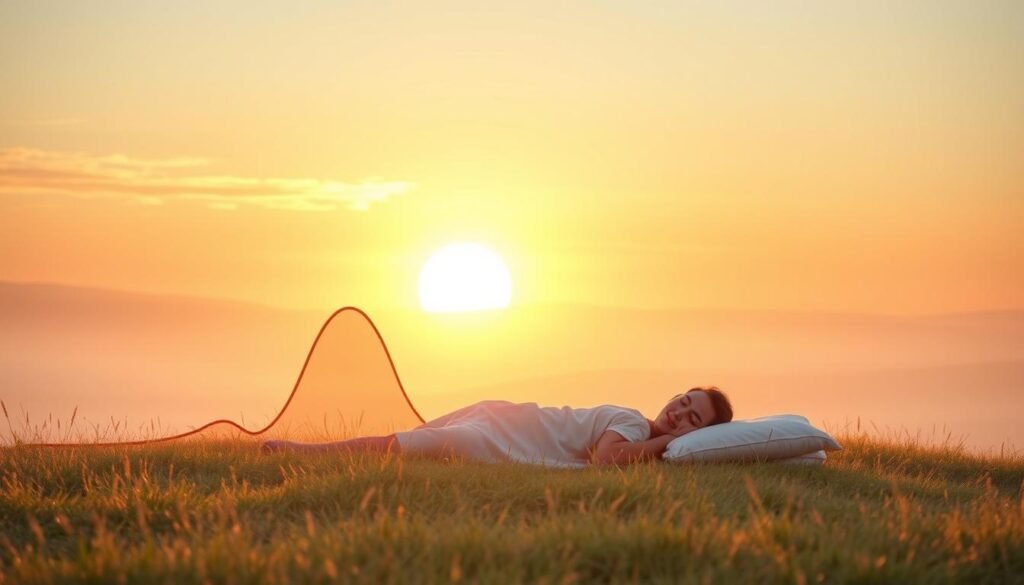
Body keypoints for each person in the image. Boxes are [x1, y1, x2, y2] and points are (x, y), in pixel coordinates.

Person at [260, 386, 733, 467]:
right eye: (683, 401)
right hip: (503, 428)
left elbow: (609, 460)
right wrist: (669, 440)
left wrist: (670, 445)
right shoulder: (634, 422)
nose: (678, 413)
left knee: (406, 445)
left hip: (500, 424)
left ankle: (305, 451)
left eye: (693, 419)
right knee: (405, 446)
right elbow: (610, 460)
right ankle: (305, 453)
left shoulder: (643, 436)